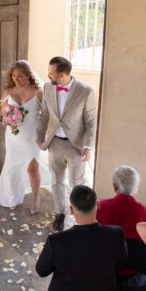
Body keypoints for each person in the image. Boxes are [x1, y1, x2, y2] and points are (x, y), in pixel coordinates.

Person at [36, 185, 128, 291]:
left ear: (71, 210)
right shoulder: (115, 234)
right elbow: (121, 262)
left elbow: (42, 270)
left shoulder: (57, 241)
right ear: (98, 205)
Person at [35, 55, 97, 232]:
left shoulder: (86, 91)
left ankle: (80, 216)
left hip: (76, 145)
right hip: (54, 142)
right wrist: (39, 136)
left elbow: (91, 121)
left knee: (76, 182)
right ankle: (59, 213)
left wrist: (88, 146)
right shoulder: (48, 88)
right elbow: (44, 114)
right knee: (57, 180)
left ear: (61, 75)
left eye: (51, 74)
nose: (48, 76)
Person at [0, 60, 50, 213]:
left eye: (20, 76)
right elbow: (3, 112)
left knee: (32, 169)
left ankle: (35, 198)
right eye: (13, 76)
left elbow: (46, 116)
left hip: (31, 137)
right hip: (13, 136)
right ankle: (12, 197)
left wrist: (43, 136)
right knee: (12, 167)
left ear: (28, 76)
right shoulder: (8, 91)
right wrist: (9, 121)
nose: (16, 79)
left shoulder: (39, 92)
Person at [96, 165, 146, 291]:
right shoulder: (145, 213)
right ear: (135, 188)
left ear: (114, 186)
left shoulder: (100, 207)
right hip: (135, 271)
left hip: (105, 269)